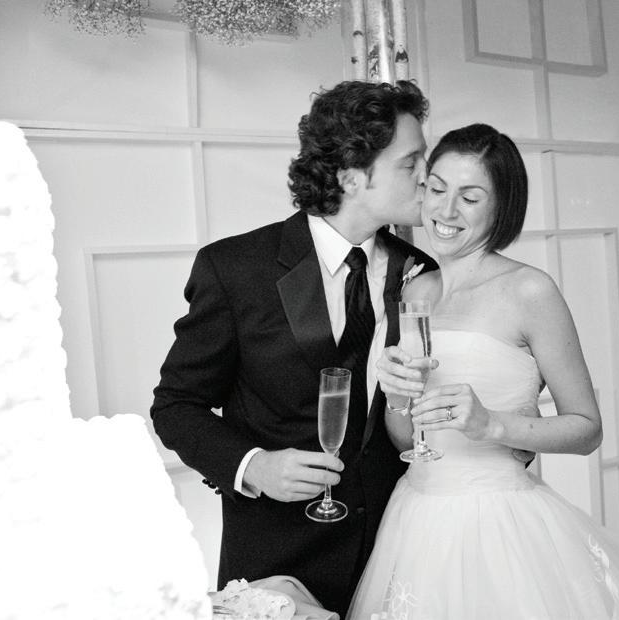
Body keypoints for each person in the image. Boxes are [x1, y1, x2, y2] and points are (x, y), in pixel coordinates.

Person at [348, 124, 619, 619]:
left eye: (469, 198)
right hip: (415, 516)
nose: (446, 211)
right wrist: (397, 397)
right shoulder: (416, 292)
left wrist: (492, 425)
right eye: (436, 189)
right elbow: (405, 440)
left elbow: (587, 429)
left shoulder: (530, 290)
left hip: (500, 523)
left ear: (502, 208)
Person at [150, 80, 437, 618]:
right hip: (279, 560)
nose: (428, 175)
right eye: (411, 162)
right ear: (351, 176)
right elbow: (175, 407)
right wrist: (254, 466)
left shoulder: (419, 271)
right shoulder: (235, 269)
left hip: (399, 554)